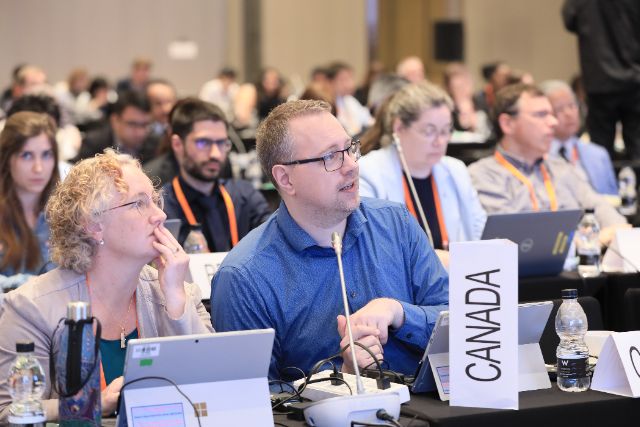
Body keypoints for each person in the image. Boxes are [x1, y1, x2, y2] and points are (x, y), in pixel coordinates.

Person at [211, 100, 449, 381]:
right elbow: (254, 396)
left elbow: (461, 323)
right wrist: (341, 379)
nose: (351, 166)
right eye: (330, 157)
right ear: (285, 179)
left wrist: (398, 313)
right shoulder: (244, 277)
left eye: (349, 149)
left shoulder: (396, 224)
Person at [0, 149, 213, 422]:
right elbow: (8, 412)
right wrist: (93, 404)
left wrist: (175, 301)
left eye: (155, 200)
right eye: (139, 204)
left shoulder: (178, 290)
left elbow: (212, 386)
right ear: (93, 224)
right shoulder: (31, 307)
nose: (160, 215)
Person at [468, 83, 628, 245]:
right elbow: (515, 241)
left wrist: (610, 233)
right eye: (541, 115)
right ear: (507, 124)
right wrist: (589, 241)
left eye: (551, 114)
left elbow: (612, 219)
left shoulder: (560, 168)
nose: (553, 122)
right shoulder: (483, 175)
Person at [359, 82, 486, 254]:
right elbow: (374, 247)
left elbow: (480, 233)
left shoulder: (456, 170)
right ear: (399, 127)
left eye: (445, 131)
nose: (439, 141)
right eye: (429, 131)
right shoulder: (369, 172)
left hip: (456, 270)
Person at [162, 98, 271, 251]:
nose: (215, 154)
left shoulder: (245, 196)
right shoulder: (162, 208)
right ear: (177, 144)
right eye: (203, 143)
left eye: (222, 143)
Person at [563, 0, 640, 159]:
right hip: (634, 78)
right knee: (637, 145)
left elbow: (569, 20)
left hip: (599, 80)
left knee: (600, 150)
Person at [0, 112, 59, 291]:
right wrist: (35, 287)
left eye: (46, 155)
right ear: (6, 159)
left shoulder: (65, 213)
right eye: (26, 155)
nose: (38, 168)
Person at [540, 79, 618, 196]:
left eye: (572, 105)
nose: (569, 113)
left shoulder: (598, 154)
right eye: (559, 109)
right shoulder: (536, 157)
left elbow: (614, 199)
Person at [74, 91, 159, 163]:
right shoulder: (94, 144)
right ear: (115, 120)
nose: (140, 132)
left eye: (144, 125)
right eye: (132, 124)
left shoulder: (155, 144)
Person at [327, 61, 374, 136]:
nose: (349, 84)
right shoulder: (327, 103)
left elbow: (368, 121)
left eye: (350, 78)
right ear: (331, 82)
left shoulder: (350, 100)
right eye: (343, 79)